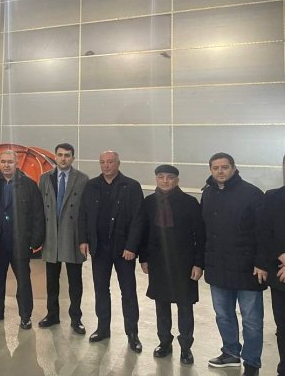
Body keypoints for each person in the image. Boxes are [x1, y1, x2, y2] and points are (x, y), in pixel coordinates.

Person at [202, 152, 266, 376]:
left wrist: (261, 262)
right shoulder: (208, 193)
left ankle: (252, 362)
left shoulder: (252, 194)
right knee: (223, 315)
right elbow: (204, 230)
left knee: (251, 320)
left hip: (247, 269)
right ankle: (230, 352)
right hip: (218, 266)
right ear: (211, 170)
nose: (220, 171)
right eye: (215, 168)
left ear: (233, 168)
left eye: (224, 167)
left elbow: (263, 232)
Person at [138, 164, 205, 365]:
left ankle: (186, 347)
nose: (165, 181)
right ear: (156, 179)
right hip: (158, 261)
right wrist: (144, 258)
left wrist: (198, 263)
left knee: (185, 306)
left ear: (177, 180)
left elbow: (200, 235)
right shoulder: (149, 202)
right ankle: (164, 342)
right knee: (161, 304)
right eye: (161, 177)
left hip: (184, 262)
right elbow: (144, 232)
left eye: (169, 177)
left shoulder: (190, 203)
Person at [78, 150, 144, 352]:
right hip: (99, 248)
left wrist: (131, 246)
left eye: (110, 162)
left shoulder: (131, 186)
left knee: (128, 292)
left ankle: (132, 333)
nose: (106, 165)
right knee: (101, 290)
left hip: (123, 250)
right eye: (103, 162)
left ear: (118, 163)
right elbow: (83, 214)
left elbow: (138, 219)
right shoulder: (91, 186)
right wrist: (83, 240)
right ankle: (103, 328)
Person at [0, 150, 45, 330]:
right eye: (3, 162)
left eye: (10, 162)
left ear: (16, 164)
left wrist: (35, 242)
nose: (6, 165)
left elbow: (38, 215)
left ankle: (25, 316)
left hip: (20, 244)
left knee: (23, 282)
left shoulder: (29, 185)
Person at [37, 143, 89, 334]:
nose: (63, 158)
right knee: (51, 280)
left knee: (75, 281)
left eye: (67, 155)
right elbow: (39, 209)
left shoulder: (82, 179)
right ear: (55, 157)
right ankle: (52, 315)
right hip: (51, 235)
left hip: (73, 236)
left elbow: (85, 212)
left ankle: (76, 318)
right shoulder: (44, 178)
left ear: (73, 158)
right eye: (60, 155)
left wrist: (84, 239)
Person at [260, 159, 285, 376]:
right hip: (280, 273)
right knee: (283, 327)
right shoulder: (272, 197)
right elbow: (265, 231)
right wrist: (280, 254)